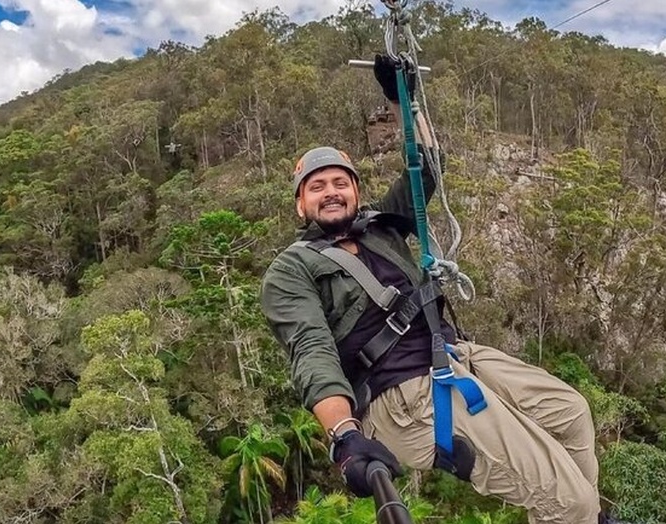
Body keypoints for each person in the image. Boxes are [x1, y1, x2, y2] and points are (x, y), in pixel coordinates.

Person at [260, 56, 617, 524]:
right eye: (317, 186)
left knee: (571, 412)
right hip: (401, 394)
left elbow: (427, 166)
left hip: (451, 356)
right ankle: (578, 514)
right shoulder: (292, 269)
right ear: (300, 205)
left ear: (355, 192)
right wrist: (344, 436)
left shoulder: (380, 228)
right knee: (571, 501)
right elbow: (312, 352)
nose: (331, 192)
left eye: (341, 183)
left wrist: (401, 100)